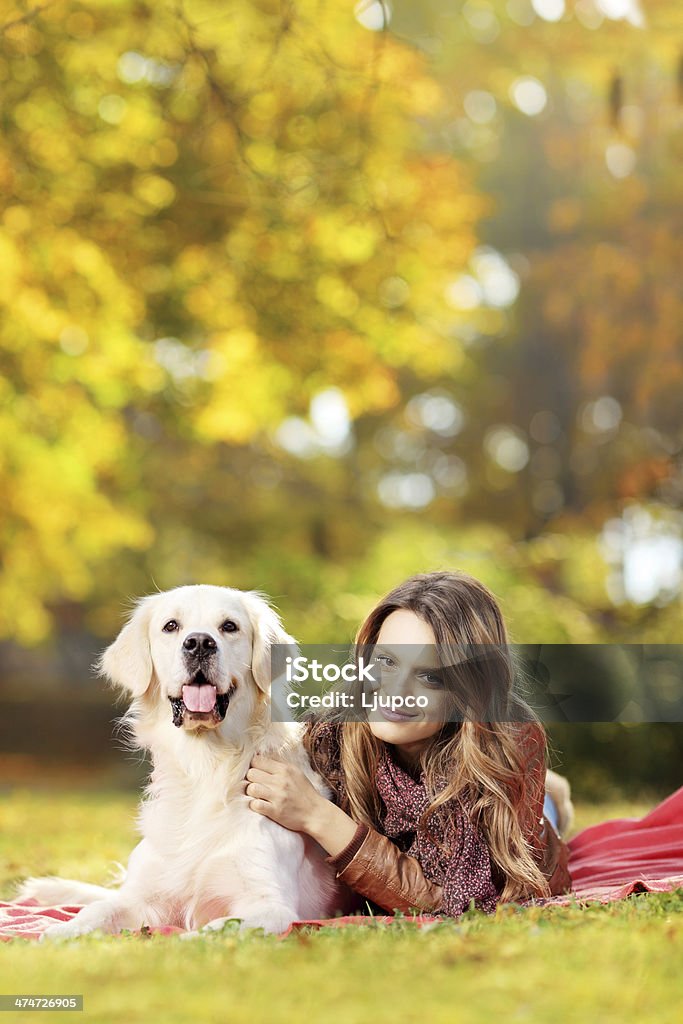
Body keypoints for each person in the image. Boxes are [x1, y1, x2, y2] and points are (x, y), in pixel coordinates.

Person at [244, 571, 573, 918]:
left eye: (430, 677)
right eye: (387, 661)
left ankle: (550, 797)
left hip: (517, 829)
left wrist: (319, 816)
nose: (396, 692)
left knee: (543, 812)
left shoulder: (509, 744)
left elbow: (461, 905)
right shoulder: (332, 734)